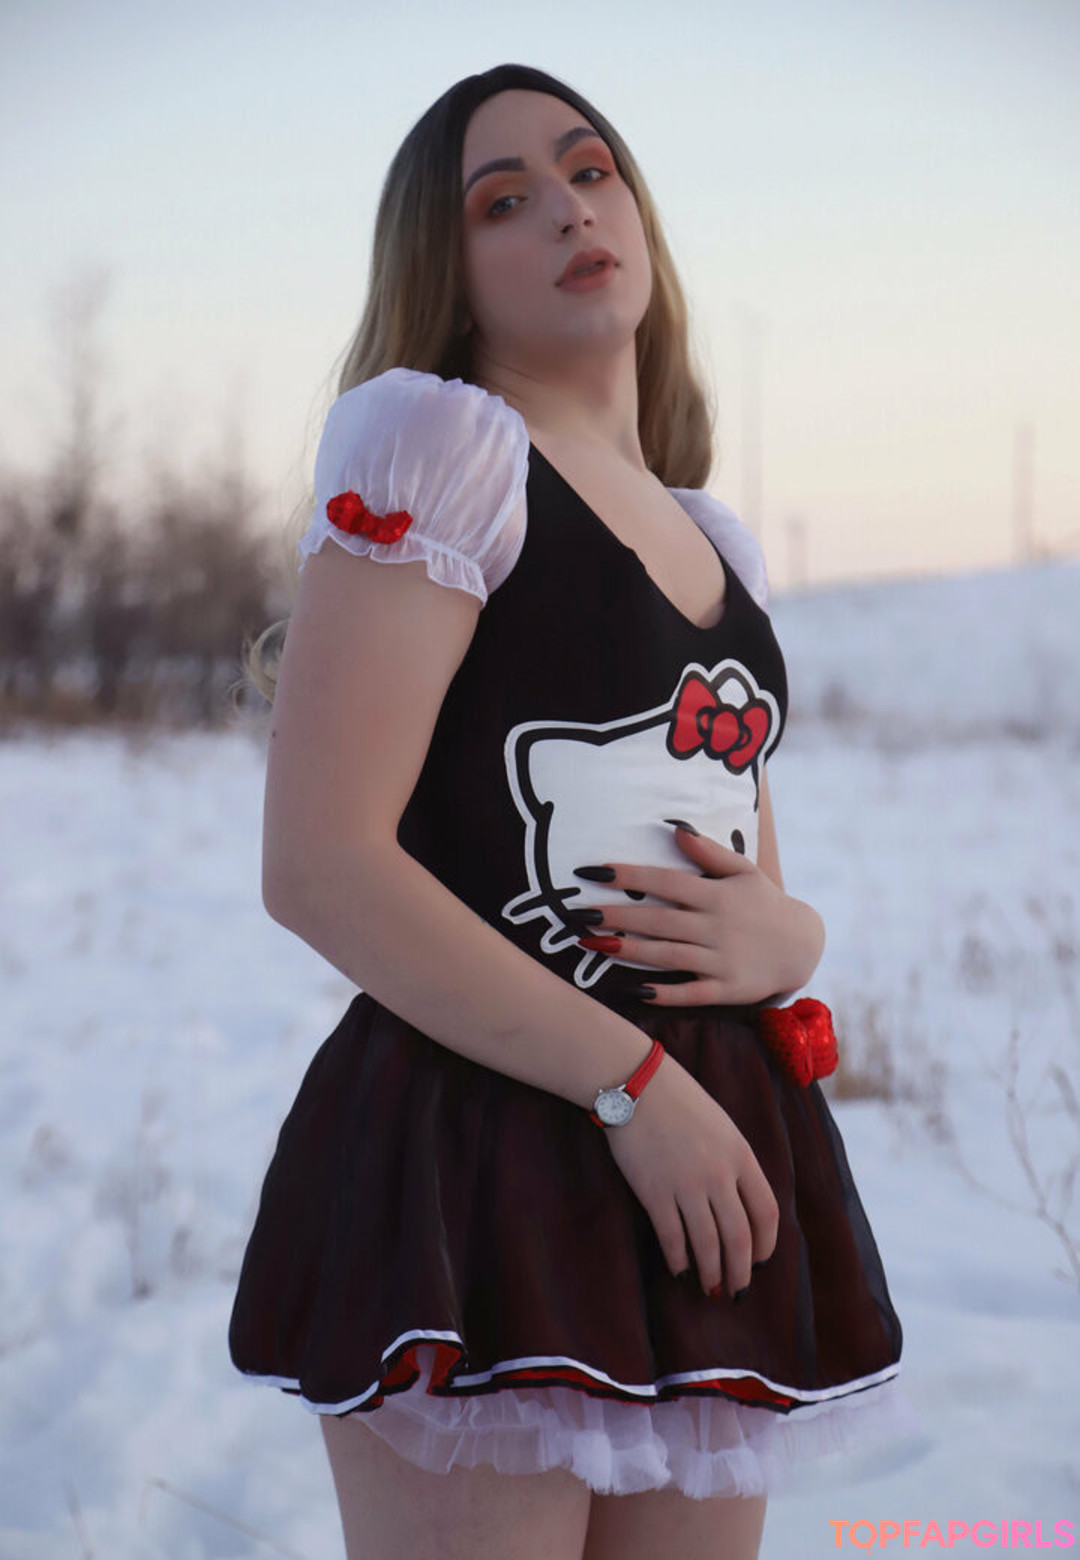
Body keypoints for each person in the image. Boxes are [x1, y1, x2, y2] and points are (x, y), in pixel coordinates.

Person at [230, 62, 921, 1560]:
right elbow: (320, 867)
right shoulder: (444, 455)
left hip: (708, 1164)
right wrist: (632, 1087)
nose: (567, 209)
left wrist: (794, 938)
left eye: (590, 170)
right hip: (489, 1147)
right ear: (448, 270)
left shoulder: (710, 537)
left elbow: (742, 889)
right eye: (505, 200)